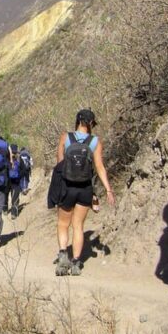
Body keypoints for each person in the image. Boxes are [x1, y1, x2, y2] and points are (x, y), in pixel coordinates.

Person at [54, 109, 115, 276]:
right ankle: (76, 263)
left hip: (67, 187)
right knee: (78, 226)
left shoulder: (65, 137)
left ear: (78, 121)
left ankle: (62, 257)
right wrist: (108, 189)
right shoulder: (95, 142)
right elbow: (99, 167)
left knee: (63, 224)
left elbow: (59, 164)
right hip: (85, 189)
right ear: (91, 123)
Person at [7, 144, 22, 219]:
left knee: (5, 195)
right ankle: (14, 213)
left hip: (7, 181)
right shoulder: (19, 159)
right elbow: (23, 170)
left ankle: (4, 209)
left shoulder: (6, 159)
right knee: (15, 196)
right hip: (16, 181)